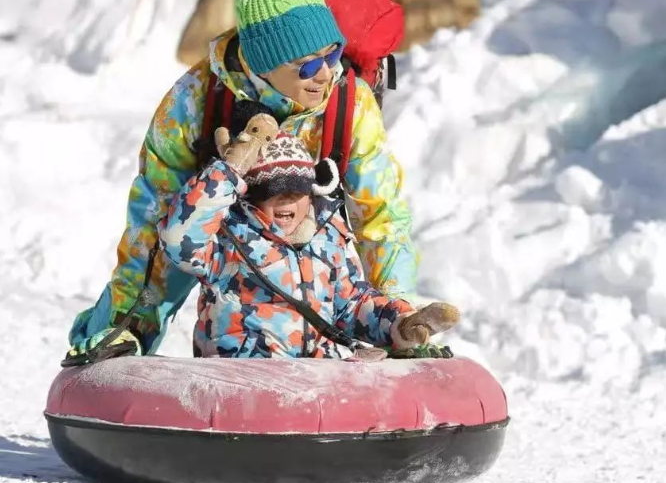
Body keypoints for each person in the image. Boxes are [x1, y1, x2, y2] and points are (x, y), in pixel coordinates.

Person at [67, 0, 419, 359]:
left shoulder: (349, 103)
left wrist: (400, 317)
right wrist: (129, 324)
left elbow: (382, 216)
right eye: (307, 64)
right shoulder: (194, 102)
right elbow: (152, 225)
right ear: (264, 62)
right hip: (220, 245)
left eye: (333, 52)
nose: (326, 73)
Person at [158, 132, 458, 358]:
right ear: (250, 196)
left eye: (297, 191)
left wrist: (400, 322)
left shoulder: (328, 239)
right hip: (244, 381)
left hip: (316, 383)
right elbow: (178, 240)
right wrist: (229, 170)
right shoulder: (229, 239)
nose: (286, 199)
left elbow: (351, 305)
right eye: (272, 190)